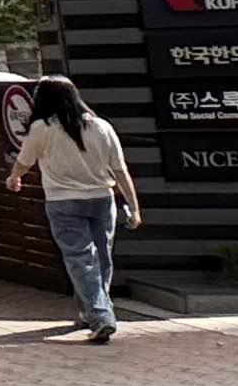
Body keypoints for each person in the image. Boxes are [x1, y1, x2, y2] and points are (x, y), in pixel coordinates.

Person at [7, 75, 139, 344]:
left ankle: (100, 316)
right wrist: (134, 207)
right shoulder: (101, 126)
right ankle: (92, 312)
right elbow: (119, 169)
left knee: (80, 258)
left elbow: (24, 161)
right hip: (102, 199)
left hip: (62, 201)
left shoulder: (43, 128)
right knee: (101, 258)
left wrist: (14, 178)